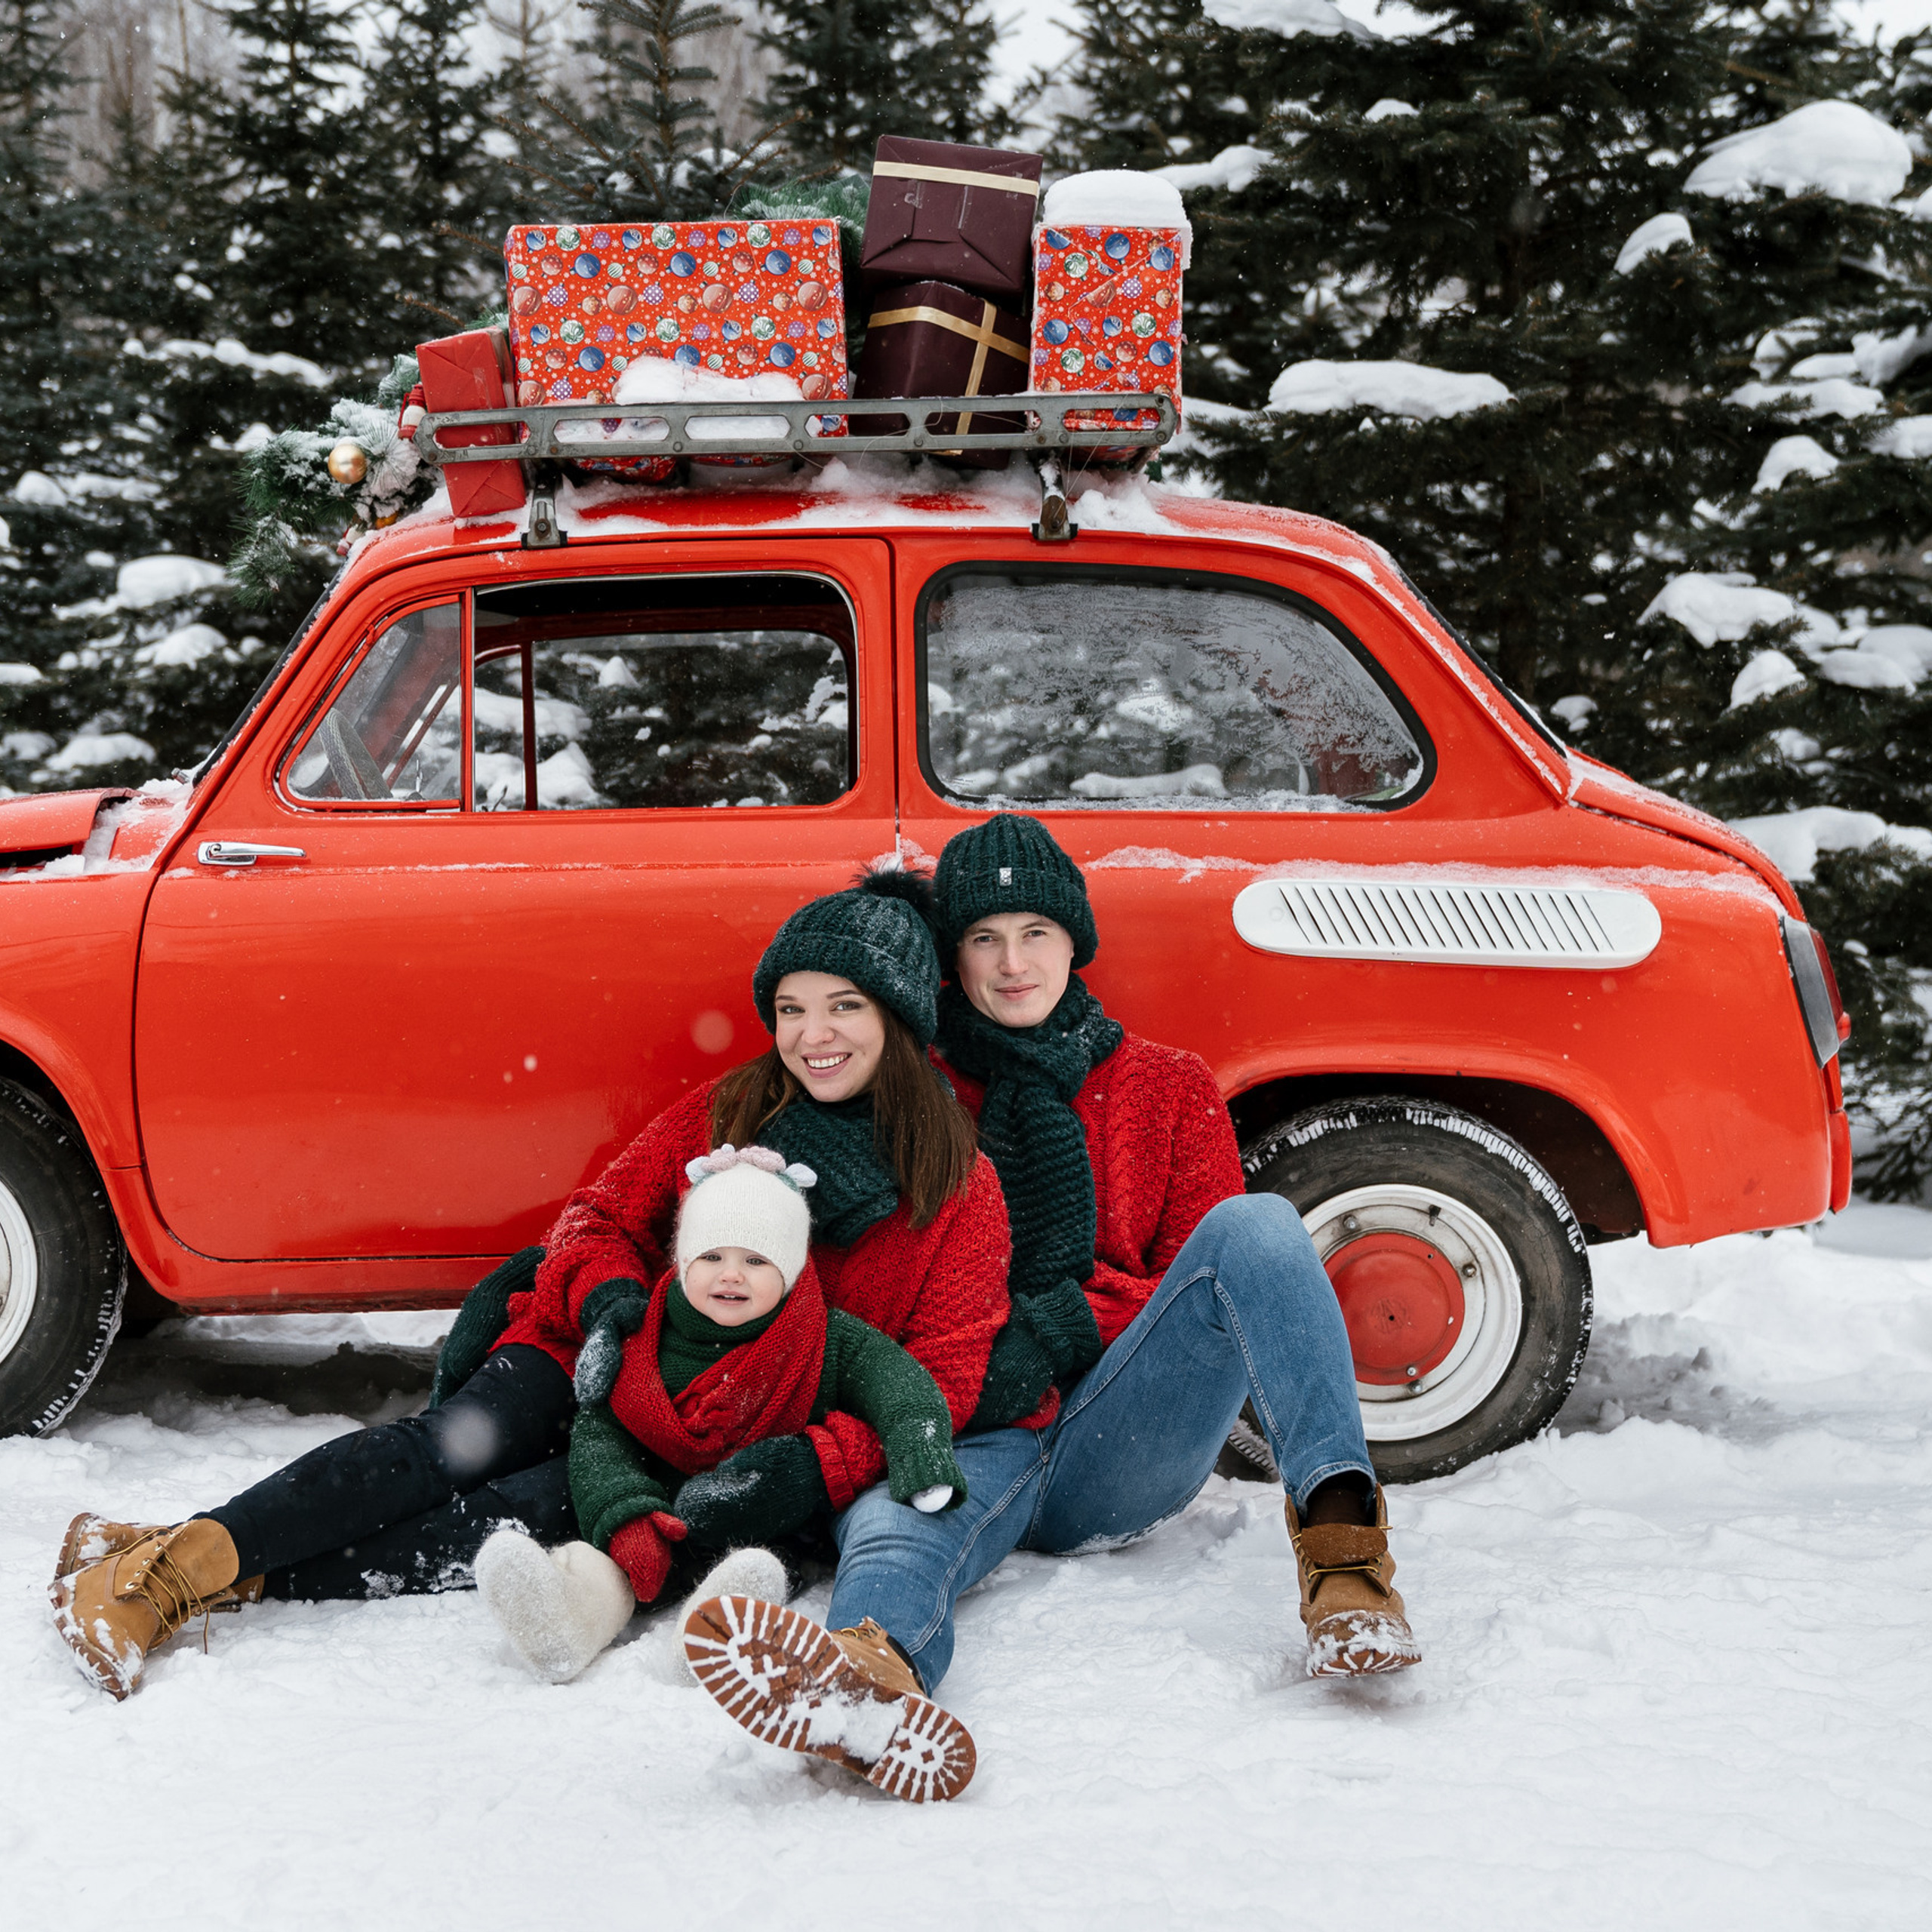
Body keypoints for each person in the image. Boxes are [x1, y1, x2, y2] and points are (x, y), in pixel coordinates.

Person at [51, 870, 1011, 1782]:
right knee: (451, 1450)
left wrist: (818, 1463)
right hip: (589, 1354)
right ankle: (157, 1577)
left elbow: (946, 1371)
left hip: (710, 1436)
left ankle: (220, 1569)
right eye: (792, 1008)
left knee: (511, 1518)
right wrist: (608, 1306)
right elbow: (593, 1220)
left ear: (898, 1016)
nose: (813, 1036)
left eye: (843, 1006)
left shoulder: (957, 1189)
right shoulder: (729, 1111)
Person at [682, 815, 1417, 1764]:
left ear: (1076, 941)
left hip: (1119, 1433)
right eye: (983, 938)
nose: (1011, 962)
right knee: (897, 1527)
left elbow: (1201, 1286)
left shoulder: (1167, 1086)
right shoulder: (910, 1085)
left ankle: (1344, 1552)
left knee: (1257, 1229)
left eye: (1035, 933)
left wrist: (1054, 1323)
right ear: (954, 958)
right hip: (965, 1422)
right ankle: (869, 1676)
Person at [474, 1142, 968, 1690]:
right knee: (604, 1565)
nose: (730, 1275)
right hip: (657, 1510)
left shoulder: (825, 1338)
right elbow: (600, 1433)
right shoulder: (645, 1338)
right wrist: (625, 1514)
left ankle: (716, 1633)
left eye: (756, 1261)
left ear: (791, 1267)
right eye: (711, 1258)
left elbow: (899, 1384)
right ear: (684, 1262)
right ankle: (562, 1621)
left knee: (755, 1565)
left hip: (764, 1512)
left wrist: (921, 1453)